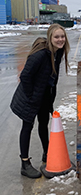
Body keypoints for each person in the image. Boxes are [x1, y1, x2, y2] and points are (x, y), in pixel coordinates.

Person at [10, 24, 70, 178]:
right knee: (27, 126)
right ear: (50, 38)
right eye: (57, 37)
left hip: (43, 96)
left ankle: (47, 153)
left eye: (62, 36)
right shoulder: (41, 55)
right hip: (30, 97)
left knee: (43, 123)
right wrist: (31, 96)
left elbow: (52, 77)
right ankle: (25, 163)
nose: (60, 39)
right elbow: (25, 76)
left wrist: (48, 98)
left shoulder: (58, 52)